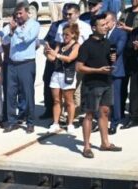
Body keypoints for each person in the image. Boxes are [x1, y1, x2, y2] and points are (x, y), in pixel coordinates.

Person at [76, 13, 122, 158]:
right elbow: (79, 67)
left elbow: (108, 60)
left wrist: (112, 60)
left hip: (107, 82)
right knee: (89, 115)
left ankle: (105, 143)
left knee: (105, 112)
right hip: (92, 84)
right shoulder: (86, 46)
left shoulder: (107, 42)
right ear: (94, 28)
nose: (106, 27)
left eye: (106, 24)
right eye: (102, 25)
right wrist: (97, 70)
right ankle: (86, 147)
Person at [2, 3, 40, 133]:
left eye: (20, 13)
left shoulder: (34, 25)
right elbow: (5, 41)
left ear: (27, 13)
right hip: (12, 64)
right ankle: (12, 121)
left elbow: (28, 39)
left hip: (26, 64)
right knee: (10, 93)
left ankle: (30, 122)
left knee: (27, 93)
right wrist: (11, 32)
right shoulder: (11, 26)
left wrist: (16, 30)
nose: (18, 16)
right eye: (16, 14)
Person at [45, 23, 80, 134]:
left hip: (68, 74)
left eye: (67, 35)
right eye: (63, 34)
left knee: (69, 101)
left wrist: (56, 55)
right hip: (57, 73)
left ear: (74, 34)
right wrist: (47, 53)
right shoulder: (60, 45)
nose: (64, 37)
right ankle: (55, 123)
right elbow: (52, 58)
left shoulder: (76, 46)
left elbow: (70, 59)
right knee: (56, 100)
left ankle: (70, 124)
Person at [106, 11, 127, 134]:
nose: (105, 24)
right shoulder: (101, 32)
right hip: (102, 69)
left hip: (115, 69)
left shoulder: (120, 33)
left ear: (113, 21)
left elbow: (118, 49)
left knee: (116, 98)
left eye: (107, 22)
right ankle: (101, 120)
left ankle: (115, 122)